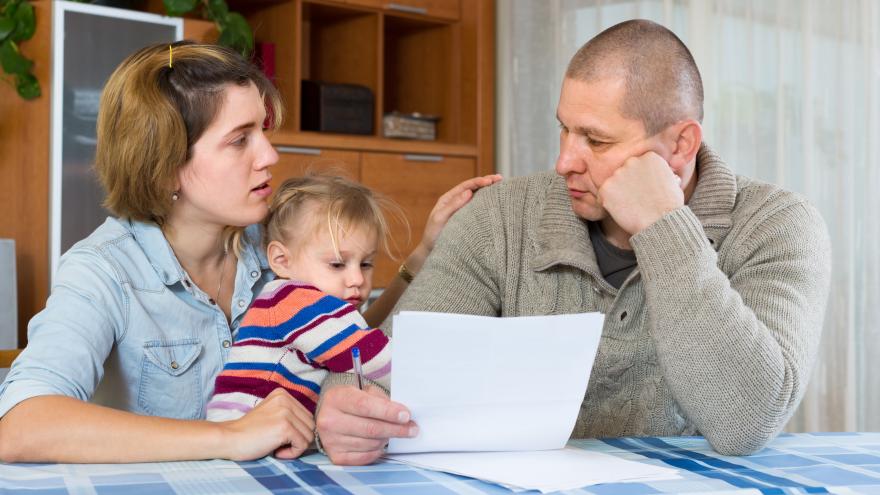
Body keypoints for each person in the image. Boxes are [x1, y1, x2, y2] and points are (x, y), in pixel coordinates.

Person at [313, 19, 832, 464]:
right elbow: (387, 370)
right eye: (564, 129)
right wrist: (341, 404)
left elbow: (746, 421)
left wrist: (664, 227)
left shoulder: (777, 225)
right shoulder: (500, 216)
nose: (565, 161)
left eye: (597, 140)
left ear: (681, 145)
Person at [0, 41, 500, 463]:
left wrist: (419, 260)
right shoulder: (102, 271)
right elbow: (20, 425)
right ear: (166, 165)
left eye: (263, 131)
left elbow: (345, 333)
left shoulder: (272, 247)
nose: (270, 156)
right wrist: (230, 437)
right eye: (240, 140)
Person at [207, 174, 395, 424]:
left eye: (366, 263)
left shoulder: (299, 301)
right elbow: (372, 356)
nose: (357, 279)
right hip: (241, 428)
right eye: (337, 264)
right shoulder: (296, 301)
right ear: (282, 261)